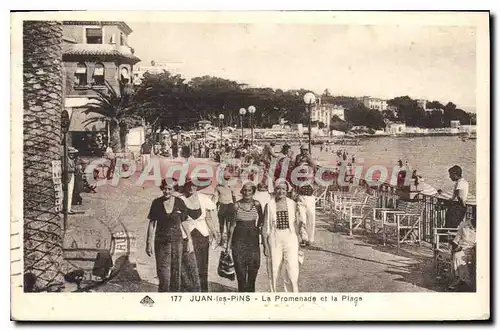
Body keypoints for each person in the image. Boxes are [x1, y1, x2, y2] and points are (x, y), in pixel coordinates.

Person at [146, 179, 200, 292]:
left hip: (177, 241)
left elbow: (184, 221)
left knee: (176, 273)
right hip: (161, 242)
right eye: (165, 188)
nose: (166, 191)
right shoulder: (156, 203)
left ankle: (175, 300)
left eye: (169, 189)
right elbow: (152, 224)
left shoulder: (180, 202)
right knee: (163, 274)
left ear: (174, 190)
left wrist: (189, 240)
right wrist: (148, 243)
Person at [262, 179, 303, 292]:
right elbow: (265, 226)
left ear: (287, 190)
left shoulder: (293, 204)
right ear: (274, 190)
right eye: (278, 189)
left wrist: (298, 241)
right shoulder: (269, 205)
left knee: (292, 267)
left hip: (290, 237)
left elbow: (296, 224)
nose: (281, 191)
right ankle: (274, 293)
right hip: (275, 238)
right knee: (274, 267)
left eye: (283, 189)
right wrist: (265, 245)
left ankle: (292, 294)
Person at [181, 179, 220, 292]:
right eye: (189, 185)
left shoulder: (203, 198)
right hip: (186, 236)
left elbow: (208, 217)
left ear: (197, 187)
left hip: (202, 236)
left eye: (194, 185)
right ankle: (188, 291)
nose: (192, 187)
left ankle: (202, 292)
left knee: (202, 265)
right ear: (185, 186)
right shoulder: (180, 200)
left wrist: (214, 233)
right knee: (188, 265)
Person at [226, 182, 264, 292]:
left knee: (253, 266)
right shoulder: (236, 205)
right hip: (238, 239)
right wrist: (228, 245)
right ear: (242, 191)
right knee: (240, 266)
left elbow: (261, 219)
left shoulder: (257, 204)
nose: (247, 193)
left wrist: (258, 230)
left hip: (253, 239)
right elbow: (232, 226)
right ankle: (242, 291)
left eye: (250, 191)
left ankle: (251, 291)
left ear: (253, 192)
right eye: (245, 190)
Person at [294, 145, 317, 246]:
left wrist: (307, 157)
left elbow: (313, 165)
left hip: (310, 198)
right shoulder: (298, 175)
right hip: (301, 197)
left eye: (306, 150)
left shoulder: (311, 174)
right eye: (303, 150)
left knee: (311, 219)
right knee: (301, 219)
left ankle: (310, 239)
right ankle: (304, 237)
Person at [449, 215, 476, 291]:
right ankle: (462, 280)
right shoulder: (464, 225)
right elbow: (456, 240)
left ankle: (471, 282)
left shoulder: (485, 224)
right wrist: (456, 248)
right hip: (464, 248)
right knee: (458, 256)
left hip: (477, 249)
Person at [213, 173, 236, 246]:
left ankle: (229, 241)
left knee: (228, 225)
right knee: (221, 224)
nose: (225, 180)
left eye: (227, 179)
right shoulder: (218, 187)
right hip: (221, 205)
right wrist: (214, 206)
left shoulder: (231, 187)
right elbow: (215, 197)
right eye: (224, 179)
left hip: (230, 206)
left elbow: (234, 197)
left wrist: (235, 206)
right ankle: (222, 239)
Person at [65, 147, 77, 214]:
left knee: (70, 193)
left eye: (73, 153)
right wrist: (74, 169)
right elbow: (65, 169)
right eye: (71, 153)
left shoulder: (72, 160)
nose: (72, 155)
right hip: (68, 177)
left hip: (72, 176)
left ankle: (69, 208)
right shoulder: (66, 160)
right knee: (68, 193)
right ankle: (67, 209)